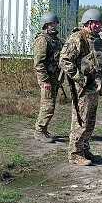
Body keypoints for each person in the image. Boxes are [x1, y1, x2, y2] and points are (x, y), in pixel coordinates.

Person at [59, 9, 102, 166]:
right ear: (87, 23)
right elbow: (65, 60)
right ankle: (75, 153)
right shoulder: (78, 38)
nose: (98, 25)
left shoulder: (98, 39)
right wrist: (80, 79)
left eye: (100, 23)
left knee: (90, 121)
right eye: (95, 23)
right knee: (81, 120)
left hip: (94, 87)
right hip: (83, 87)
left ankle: (84, 149)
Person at [33, 12, 63, 143]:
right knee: (48, 105)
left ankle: (43, 129)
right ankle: (39, 131)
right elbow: (39, 63)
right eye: (51, 24)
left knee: (50, 105)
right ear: (45, 25)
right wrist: (45, 80)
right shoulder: (42, 40)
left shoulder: (55, 40)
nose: (54, 26)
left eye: (55, 23)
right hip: (47, 79)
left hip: (54, 78)